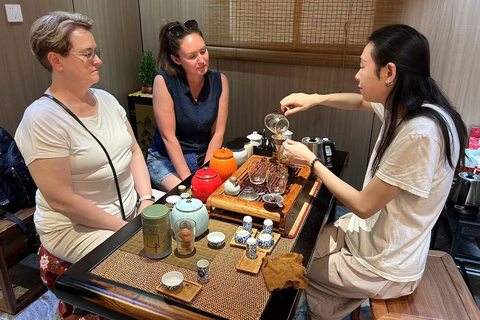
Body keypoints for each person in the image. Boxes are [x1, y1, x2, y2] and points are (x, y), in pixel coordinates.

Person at [280, 24, 467, 320]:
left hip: (387, 265)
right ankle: (332, 305)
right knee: (304, 240)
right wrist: (315, 97)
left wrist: (311, 162)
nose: (357, 75)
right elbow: (361, 101)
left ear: (389, 73)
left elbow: (364, 206)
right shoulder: (411, 104)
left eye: (363, 67)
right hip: (374, 237)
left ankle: (327, 310)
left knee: (293, 265)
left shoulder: (420, 133)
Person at [15, 11, 154, 264]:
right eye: (87, 54)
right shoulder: (41, 118)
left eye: (96, 51)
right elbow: (62, 200)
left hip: (130, 210)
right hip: (75, 228)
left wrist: (146, 200)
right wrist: (125, 229)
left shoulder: (107, 100)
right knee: (140, 265)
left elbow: (134, 151)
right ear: (56, 61)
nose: (97, 60)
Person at [146, 20, 229, 191]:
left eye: (203, 51)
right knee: (189, 197)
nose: (202, 60)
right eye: (192, 56)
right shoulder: (164, 82)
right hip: (167, 160)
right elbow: (169, 138)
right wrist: (191, 182)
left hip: (204, 158)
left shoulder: (219, 81)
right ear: (176, 59)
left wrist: (207, 173)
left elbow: (218, 133)